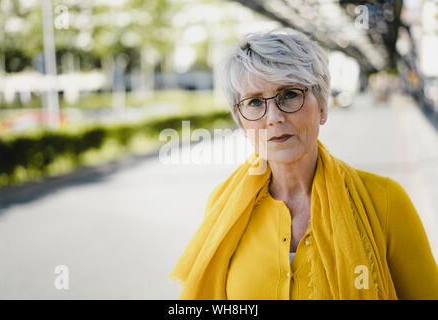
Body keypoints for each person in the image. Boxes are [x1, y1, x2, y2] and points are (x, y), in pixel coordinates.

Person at [170, 29, 438, 299]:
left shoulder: (385, 201)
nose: (273, 117)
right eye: (253, 102)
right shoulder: (223, 204)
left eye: (289, 95)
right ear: (241, 122)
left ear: (322, 106)